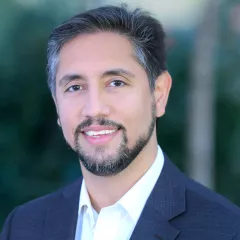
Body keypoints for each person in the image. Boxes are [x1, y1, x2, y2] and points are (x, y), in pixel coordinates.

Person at [1, 4, 240, 240]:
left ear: (159, 93)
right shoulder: (23, 226)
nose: (94, 108)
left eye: (116, 83)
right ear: (56, 103)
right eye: (75, 87)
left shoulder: (227, 231)